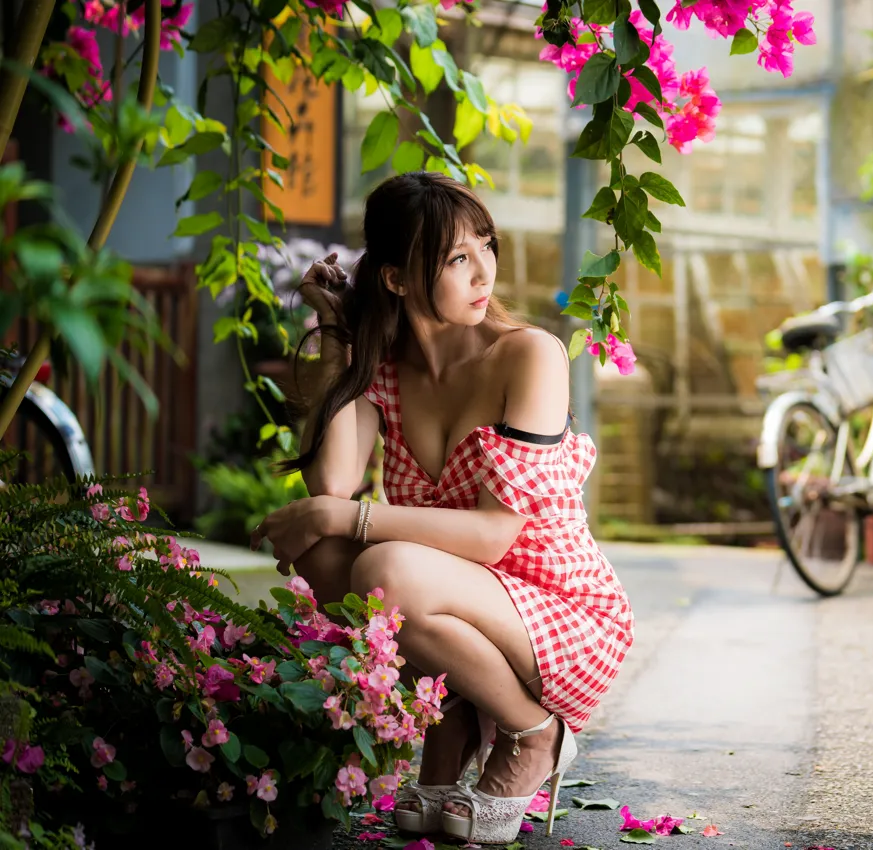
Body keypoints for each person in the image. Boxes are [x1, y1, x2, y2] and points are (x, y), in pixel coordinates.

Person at [248, 172, 635, 844]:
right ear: (397, 280)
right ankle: (451, 718)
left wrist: (348, 517)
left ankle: (535, 734)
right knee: (327, 553)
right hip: (463, 609)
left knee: (383, 568)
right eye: (458, 258)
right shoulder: (389, 372)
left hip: (563, 614)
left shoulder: (529, 355)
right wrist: (339, 333)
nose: (484, 270)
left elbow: (491, 536)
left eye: (486, 245)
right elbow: (332, 484)